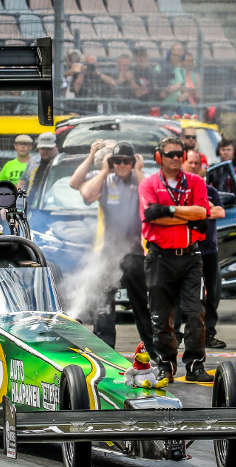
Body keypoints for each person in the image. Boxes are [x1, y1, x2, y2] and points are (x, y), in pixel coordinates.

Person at [139, 137, 212, 383]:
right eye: (170, 154)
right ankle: (165, 364)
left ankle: (195, 365)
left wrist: (168, 210)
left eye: (179, 154)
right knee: (161, 317)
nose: (176, 158)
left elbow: (201, 213)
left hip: (190, 256)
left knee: (194, 313)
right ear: (159, 157)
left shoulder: (196, 181)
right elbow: (151, 217)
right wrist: (186, 215)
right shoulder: (149, 184)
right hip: (160, 257)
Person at [77, 141, 150, 352]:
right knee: (103, 303)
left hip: (136, 252)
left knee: (142, 304)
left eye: (126, 161)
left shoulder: (141, 182)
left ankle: (154, 349)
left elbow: (150, 200)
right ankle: (104, 349)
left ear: (133, 161)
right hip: (109, 253)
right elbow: (86, 195)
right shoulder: (105, 181)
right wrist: (103, 169)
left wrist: (138, 170)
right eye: (117, 161)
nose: (122, 165)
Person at [187, 149, 226, 349]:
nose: (194, 166)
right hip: (186, 248)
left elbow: (220, 212)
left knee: (212, 294)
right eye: (190, 162)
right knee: (183, 294)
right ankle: (177, 333)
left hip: (209, 251)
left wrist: (201, 211)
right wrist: (203, 211)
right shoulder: (181, 189)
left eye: (197, 163)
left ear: (204, 168)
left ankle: (209, 333)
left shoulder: (211, 191)